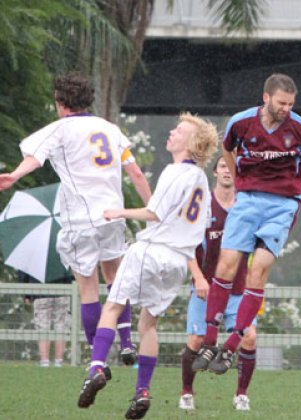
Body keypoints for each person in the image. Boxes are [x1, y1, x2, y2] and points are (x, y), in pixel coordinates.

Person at [0, 72, 152, 368]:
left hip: (81, 221)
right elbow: (134, 173)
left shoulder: (59, 129)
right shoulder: (109, 129)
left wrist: (15, 175)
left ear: (60, 102)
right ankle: (126, 342)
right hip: (113, 216)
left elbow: (35, 158)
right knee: (116, 281)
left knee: (88, 291)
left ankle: (98, 360)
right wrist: (152, 211)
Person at [77, 112, 218, 419]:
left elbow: (154, 213)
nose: (172, 132)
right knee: (148, 325)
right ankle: (142, 391)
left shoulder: (175, 171)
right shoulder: (202, 182)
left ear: (192, 143)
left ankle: (96, 368)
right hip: (176, 263)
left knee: (113, 306)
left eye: (179, 130)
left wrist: (119, 212)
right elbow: (195, 230)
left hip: (151, 251)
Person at [192, 73, 301, 375]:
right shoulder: (241, 123)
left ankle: (231, 346)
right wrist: (240, 178)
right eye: (281, 103)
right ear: (266, 98)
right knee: (225, 266)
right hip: (248, 200)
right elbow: (228, 148)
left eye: (291, 104)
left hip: (283, 206)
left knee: (257, 270)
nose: (286, 109)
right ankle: (210, 340)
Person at [179, 156, 257, 412]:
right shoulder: (203, 205)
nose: (227, 171)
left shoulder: (247, 206)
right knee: (197, 340)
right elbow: (185, 244)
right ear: (214, 172)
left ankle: (241, 395)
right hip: (207, 289)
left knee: (250, 339)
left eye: (231, 167)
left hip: (239, 289)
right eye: (222, 166)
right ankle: (187, 392)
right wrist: (198, 278)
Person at [19, 270, 73, 367]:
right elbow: (70, 274)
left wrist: (27, 295)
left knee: (42, 328)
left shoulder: (34, 256)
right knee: (61, 327)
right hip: (62, 292)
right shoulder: (61, 254)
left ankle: (44, 362)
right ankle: (58, 362)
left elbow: (24, 274)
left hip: (40, 294)